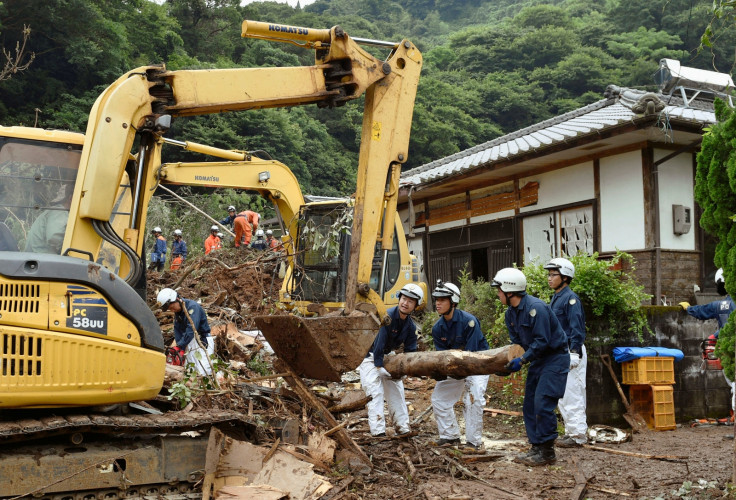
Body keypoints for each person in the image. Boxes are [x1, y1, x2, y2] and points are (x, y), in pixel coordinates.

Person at [493, 267, 569, 466]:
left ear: (510, 291)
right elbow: (518, 343)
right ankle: (536, 447)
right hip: (537, 360)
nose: (498, 294)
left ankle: (547, 452)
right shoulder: (511, 314)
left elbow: (542, 341)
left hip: (554, 359)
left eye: (499, 290)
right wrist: (509, 362)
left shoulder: (537, 308)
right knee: (530, 405)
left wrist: (523, 360)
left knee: (543, 403)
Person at [430, 281, 490, 450]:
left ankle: (473, 442)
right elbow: (443, 356)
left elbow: (471, 355)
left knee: (473, 399)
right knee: (439, 399)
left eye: (442, 300)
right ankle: (450, 436)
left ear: (453, 302)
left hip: (477, 365)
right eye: (436, 300)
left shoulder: (469, 321)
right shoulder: (437, 328)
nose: (438, 303)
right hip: (455, 366)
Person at [359, 283, 423, 437]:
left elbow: (410, 350)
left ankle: (402, 428)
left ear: (415, 306)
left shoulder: (410, 326)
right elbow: (380, 342)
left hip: (388, 357)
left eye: (410, 301)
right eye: (404, 299)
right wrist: (379, 366)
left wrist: (406, 370)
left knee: (397, 391)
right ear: (399, 298)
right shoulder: (386, 315)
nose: (405, 303)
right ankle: (378, 432)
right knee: (375, 393)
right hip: (370, 357)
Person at [544, 258, 588, 448]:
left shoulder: (571, 299)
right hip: (559, 352)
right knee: (562, 394)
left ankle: (578, 435)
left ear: (565, 277)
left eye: (553, 274)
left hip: (571, 351)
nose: (549, 278)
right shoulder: (557, 297)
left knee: (573, 392)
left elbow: (576, 328)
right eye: (549, 274)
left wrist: (574, 352)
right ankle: (571, 431)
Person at [680, 268, 736, 412]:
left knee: (734, 385)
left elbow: (703, 311)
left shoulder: (721, 305)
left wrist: (689, 309)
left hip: (731, 353)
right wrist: (716, 335)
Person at [156, 288, 215, 376]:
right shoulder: (178, 314)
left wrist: (181, 345)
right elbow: (177, 331)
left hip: (202, 342)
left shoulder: (192, 307)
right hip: (190, 343)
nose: (172, 310)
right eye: (170, 309)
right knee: (190, 371)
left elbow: (191, 329)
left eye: (172, 307)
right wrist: (179, 347)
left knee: (204, 372)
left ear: (176, 299)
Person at [25, 184, 73, 254]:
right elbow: (54, 238)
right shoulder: (59, 211)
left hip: (38, 258)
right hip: (42, 260)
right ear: (71, 198)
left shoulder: (53, 211)